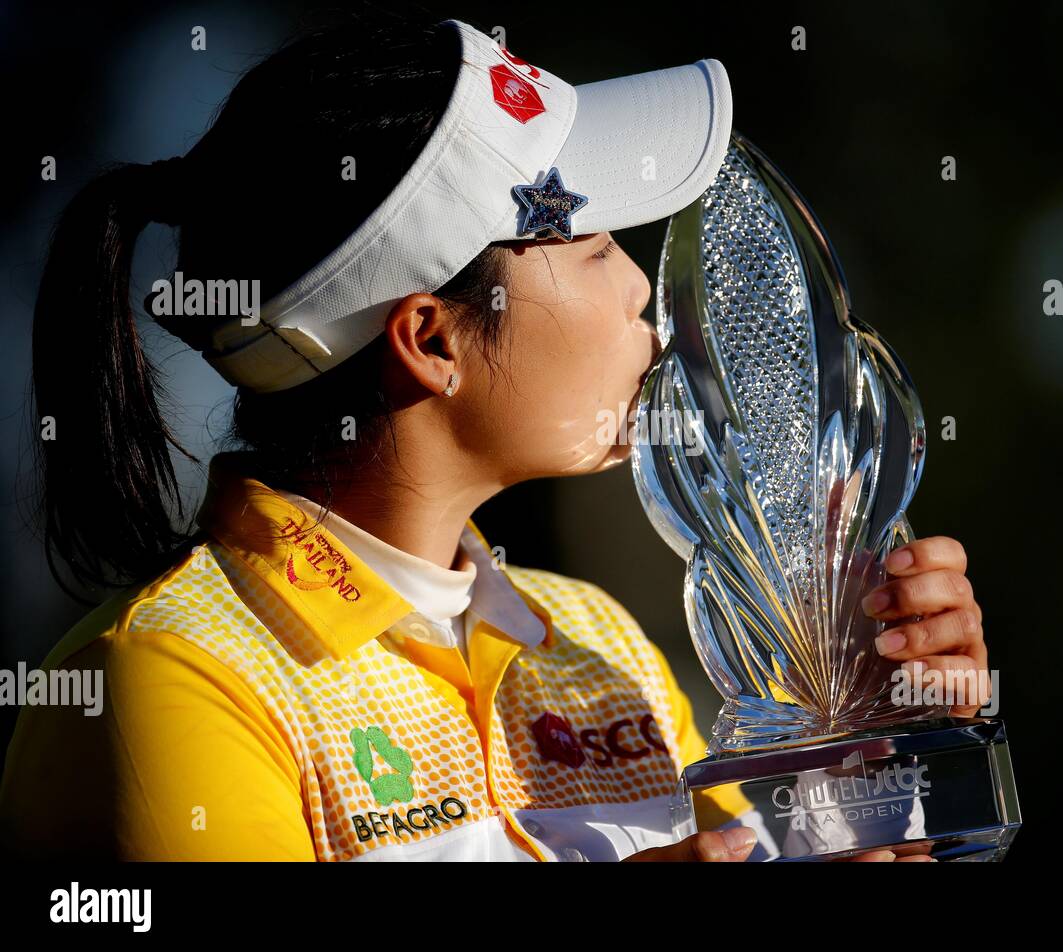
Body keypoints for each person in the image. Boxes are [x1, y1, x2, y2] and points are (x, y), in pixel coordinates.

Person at [0, 15, 987, 862]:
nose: (643, 286)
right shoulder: (168, 677)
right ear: (431, 341)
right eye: (594, 246)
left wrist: (890, 740)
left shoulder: (600, 643)